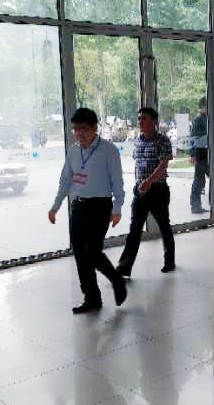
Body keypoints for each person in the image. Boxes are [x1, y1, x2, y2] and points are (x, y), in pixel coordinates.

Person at [48, 107, 127, 314]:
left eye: (83, 128)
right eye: (75, 129)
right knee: (80, 256)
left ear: (94, 128)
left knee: (92, 254)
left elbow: (117, 182)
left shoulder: (109, 150)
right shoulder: (73, 151)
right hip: (78, 206)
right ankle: (92, 297)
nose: (79, 133)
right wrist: (55, 206)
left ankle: (117, 280)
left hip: (100, 206)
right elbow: (65, 180)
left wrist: (117, 208)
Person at [116, 107, 176, 278]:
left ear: (154, 122)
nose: (140, 121)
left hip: (157, 191)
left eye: (144, 118)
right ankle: (124, 267)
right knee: (135, 229)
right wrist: (140, 185)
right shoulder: (139, 141)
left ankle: (169, 261)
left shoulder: (162, 141)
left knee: (164, 226)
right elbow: (139, 164)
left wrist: (149, 181)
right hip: (140, 191)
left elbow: (163, 164)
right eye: (139, 118)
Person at [188, 97, 209, 214]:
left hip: (206, 153)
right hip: (200, 154)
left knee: (201, 180)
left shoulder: (206, 118)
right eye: (207, 106)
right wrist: (192, 154)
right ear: (202, 107)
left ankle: (198, 205)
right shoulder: (198, 119)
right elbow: (193, 137)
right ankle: (195, 206)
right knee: (199, 180)